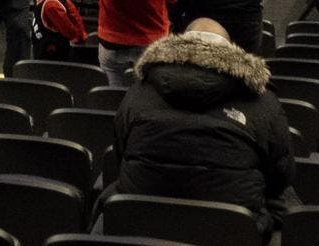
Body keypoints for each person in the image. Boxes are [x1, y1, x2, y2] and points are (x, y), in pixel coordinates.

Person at [98, 28, 298, 236]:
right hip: (230, 231)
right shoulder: (264, 101)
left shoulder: (137, 93)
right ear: (230, 51)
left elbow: (120, 154)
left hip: (140, 224)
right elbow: (281, 175)